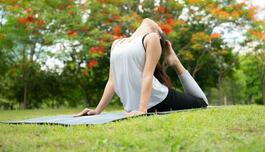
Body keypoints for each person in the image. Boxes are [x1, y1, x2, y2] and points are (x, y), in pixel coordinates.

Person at [75, 18, 208, 117]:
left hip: (157, 100)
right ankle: (174, 61)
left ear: (158, 33)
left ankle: (176, 63)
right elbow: (112, 81)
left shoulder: (152, 38)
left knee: (202, 103)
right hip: (138, 107)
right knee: (200, 102)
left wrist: (142, 110)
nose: (155, 22)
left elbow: (147, 75)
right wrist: (97, 110)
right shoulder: (117, 43)